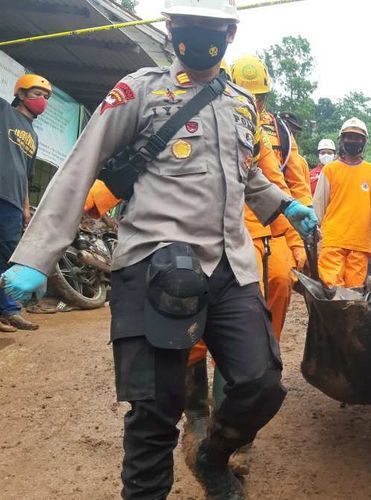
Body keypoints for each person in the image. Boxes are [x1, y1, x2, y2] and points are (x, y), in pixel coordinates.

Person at [0, 1, 319, 498]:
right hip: (156, 264)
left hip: (230, 265)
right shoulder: (141, 89)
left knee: (261, 385)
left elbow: (247, 170)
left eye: (213, 28)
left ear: (230, 33)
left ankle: (211, 457)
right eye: (191, 25)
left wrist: (283, 205)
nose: (201, 35)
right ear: (172, 29)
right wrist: (35, 255)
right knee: (154, 412)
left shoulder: (240, 102)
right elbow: (83, 162)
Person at [231, 54, 312, 338]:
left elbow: (288, 186)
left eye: (260, 97)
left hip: (273, 224)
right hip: (228, 227)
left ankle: (269, 353)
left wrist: (298, 242)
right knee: (245, 294)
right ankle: (229, 369)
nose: (254, 103)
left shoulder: (276, 133)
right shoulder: (214, 121)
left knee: (280, 280)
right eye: (247, 95)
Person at [0, 74, 51, 333]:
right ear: (20, 95)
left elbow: (27, 173)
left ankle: (8, 311)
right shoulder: (4, 111)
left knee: (8, 257)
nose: (42, 100)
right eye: (36, 94)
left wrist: (26, 206)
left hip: (13, 201)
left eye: (45, 97)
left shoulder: (33, 134)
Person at [313, 118, 371, 288]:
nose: (353, 141)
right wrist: (315, 237)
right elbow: (318, 207)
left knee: (354, 294)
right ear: (342, 140)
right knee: (332, 292)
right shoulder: (330, 170)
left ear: (364, 141)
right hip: (332, 241)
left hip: (360, 243)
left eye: (358, 137)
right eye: (349, 137)